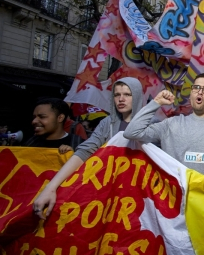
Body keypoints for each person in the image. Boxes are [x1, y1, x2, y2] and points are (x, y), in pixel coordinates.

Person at [33, 78, 144, 219]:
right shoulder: (107, 123)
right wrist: (51, 187)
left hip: (139, 195)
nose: (121, 99)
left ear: (138, 96)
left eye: (127, 94)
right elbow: (86, 150)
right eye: (117, 95)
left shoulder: (154, 123)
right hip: (109, 193)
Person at [124, 73, 204, 174]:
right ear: (191, 93)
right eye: (196, 88)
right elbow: (132, 132)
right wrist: (156, 103)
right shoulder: (171, 124)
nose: (200, 92)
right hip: (173, 200)